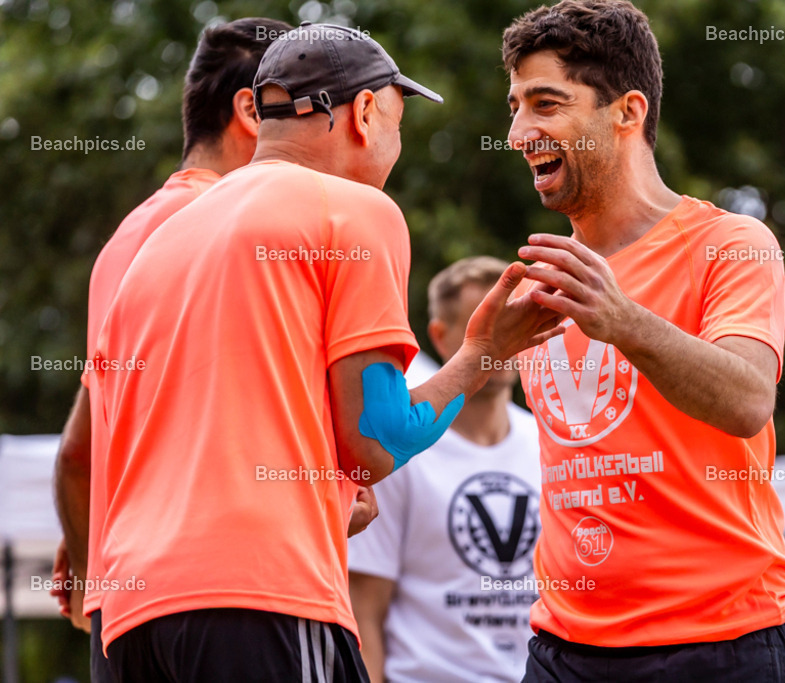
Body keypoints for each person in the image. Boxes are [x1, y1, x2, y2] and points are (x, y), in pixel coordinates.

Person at [90, 23, 562, 681]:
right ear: (366, 113)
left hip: (130, 610)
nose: (397, 147)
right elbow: (377, 438)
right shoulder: (353, 210)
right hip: (262, 595)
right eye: (400, 125)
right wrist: (483, 352)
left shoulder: (160, 241)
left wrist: (328, 489)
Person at [500, 1, 785, 680]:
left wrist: (623, 321)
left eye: (546, 103)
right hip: (564, 648)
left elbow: (747, 397)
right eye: (515, 106)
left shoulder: (730, 243)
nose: (520, 131)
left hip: (726, 642)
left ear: (627, 111)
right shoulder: (538, 279)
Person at [50, 16, 292, 682]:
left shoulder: (128, 239)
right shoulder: (240, 225)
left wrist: (93, 566)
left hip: (125, 611)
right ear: (252, 109)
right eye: (310, 109)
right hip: (237, 596)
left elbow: (77, 451)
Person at [349, 256, 543, 683]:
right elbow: (365, 605)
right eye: (486, 322)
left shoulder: (550, 443)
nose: (505, 338)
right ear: (439, 335)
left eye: (513, 319)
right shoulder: (396, 458)